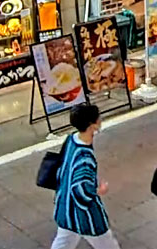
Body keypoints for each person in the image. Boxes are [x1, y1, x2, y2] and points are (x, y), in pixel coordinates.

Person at [51, 105, 120, 249]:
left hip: (65, 206)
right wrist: (98, 191)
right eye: (98, 118)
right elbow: (80, 190)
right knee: (107, 244)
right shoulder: (85, 157)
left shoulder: (71, 139)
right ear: (92, 125)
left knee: (63, 242)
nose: (100, 120)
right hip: (84, 216)